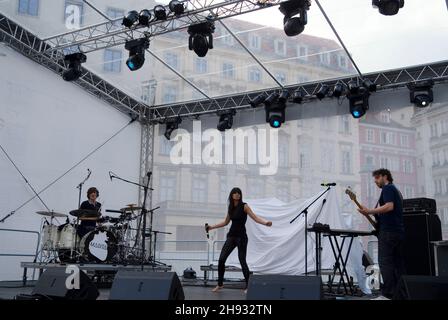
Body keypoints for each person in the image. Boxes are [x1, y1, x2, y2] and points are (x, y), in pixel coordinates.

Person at [206, 187, 272, 293]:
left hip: (241, 237)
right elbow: (225, 222)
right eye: (235, 193)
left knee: (242, 260)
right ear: (231, 195)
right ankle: (220, 284)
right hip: (231, 236)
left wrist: (265, 223)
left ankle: (248, 286)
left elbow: (255, 218)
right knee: (221, 259)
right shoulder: (230, 208)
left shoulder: (244, 206)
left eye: (239, 193)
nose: (237, 194)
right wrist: (211, 227)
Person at [357, 168, 405, 299]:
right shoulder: (396, 190)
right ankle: (399, 294)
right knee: (397, 265)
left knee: (385, 263)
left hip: (389, 233)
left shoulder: (388, 189)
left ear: (385, 177)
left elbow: (390, 206)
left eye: (377, 178)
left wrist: (370, 211)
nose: (376, 181)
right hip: (397, 232)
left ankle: (387, 294)